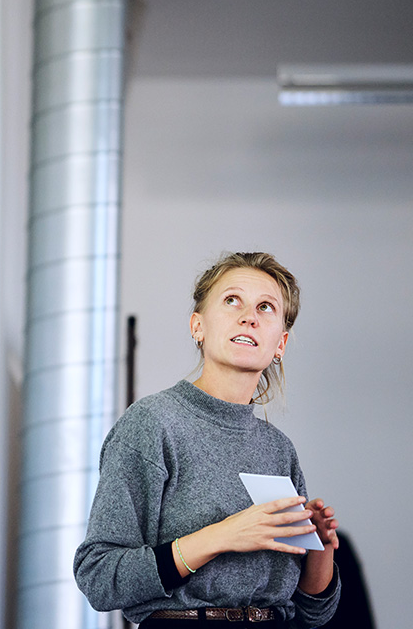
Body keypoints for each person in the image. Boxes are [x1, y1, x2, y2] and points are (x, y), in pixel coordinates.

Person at [74, 252, 340, 628]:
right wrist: (224, 535)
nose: (249, 315)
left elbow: (314, 612)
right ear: (197, 326)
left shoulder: (280, 450)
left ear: (279, 344)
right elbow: (99, 578)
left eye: (266, 307)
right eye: (232, 300)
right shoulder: (151, 424)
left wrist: (322, 550)